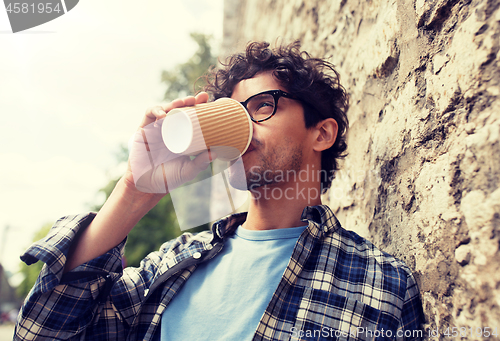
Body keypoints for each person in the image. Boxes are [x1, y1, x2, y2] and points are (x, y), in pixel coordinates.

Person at [15, 41, 424, 340]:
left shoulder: (382, 283)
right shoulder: (175, 264)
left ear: (321, 132)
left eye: (262, 105)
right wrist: (134, 191)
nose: (241, 128)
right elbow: (42, 332)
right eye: (230, 113)